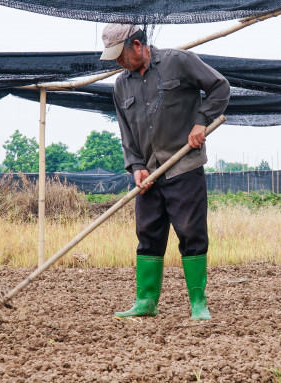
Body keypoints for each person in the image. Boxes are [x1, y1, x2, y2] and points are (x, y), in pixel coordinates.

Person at [100, 23, 230, 321]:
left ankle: (198, 304)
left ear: (136, 45)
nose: (119, 63)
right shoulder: (121, 86)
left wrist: (201, 122)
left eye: (121, 55)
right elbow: (126, 135)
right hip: (149, 176)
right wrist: (135, 167)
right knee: (148, 236)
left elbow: (219, 87)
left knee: (191, 233)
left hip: (183, 166)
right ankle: (146, 301)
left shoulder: (178, 62)